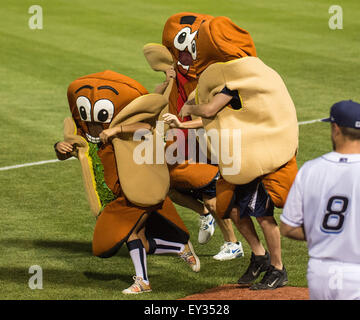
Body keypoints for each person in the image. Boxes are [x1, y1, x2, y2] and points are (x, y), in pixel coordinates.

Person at [179, 16, 299, 289]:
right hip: (240, 158)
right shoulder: (234, 80)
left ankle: (278, 269)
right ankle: (259, 256)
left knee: (263, 215)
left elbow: (209, 110)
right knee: (233, 210)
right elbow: (215, 115)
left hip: (258, 160)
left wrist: (190, 109)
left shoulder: (234, 84)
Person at [55, 70, 200, 295]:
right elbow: (69, 152)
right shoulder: (83, 138)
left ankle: (143, 282)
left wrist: (116, 129)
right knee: (139, 241)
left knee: (128, 234)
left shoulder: (122, 130)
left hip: (138, 190)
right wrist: (59, 149)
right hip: (117, 196)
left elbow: (147, 128)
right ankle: (178, 248)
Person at [146, 12, 244, 261]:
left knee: (212, 195)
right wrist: (165, 82)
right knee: (165, 185)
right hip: (183, 140)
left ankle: (233, 243)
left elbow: (215, 116)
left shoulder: (211, 78)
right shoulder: (177, 71)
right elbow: (157, 98)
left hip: (208, 141)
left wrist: (183, 124)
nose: (188, 53)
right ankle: (204, 214)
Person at [280, 100, 360, 300]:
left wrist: (324, 234)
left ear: (335, 128)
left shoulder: (310, 170)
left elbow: (287, 228)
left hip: (320, 273)